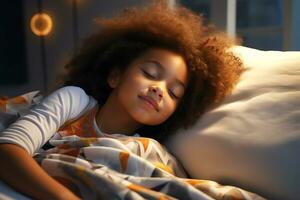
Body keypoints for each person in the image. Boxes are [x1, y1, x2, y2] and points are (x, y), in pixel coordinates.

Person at [0, 1, 243, 199]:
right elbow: (8, 150)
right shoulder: (74, 100)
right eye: (150, 74)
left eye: (173, 93)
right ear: (115, 75)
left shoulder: (149, 150)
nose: (159, 90)